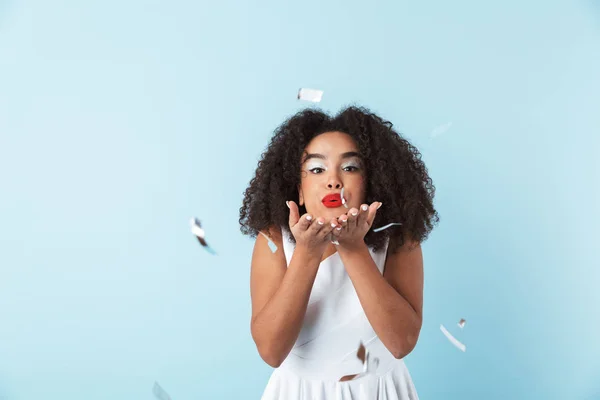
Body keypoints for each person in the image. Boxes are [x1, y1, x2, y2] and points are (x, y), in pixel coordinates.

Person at [239, 106, 439, 399]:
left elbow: (401, 343)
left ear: (371, 182)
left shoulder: (397, 237)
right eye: (317, 169)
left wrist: (353, 248)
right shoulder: (275, 240)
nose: (333, 180)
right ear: (300, 191)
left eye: (350, 167)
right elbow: (271, 351)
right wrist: (307, 253)